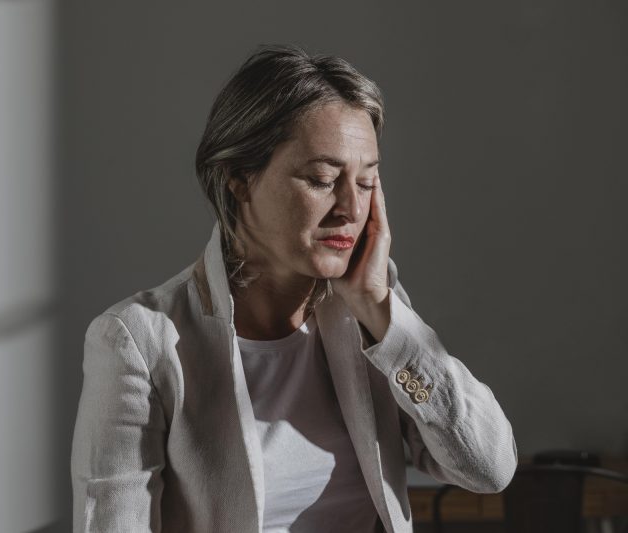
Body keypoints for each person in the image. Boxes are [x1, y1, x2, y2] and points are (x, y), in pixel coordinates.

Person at [70, 44, 518, 533]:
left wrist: (377, 308)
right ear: (239, 177)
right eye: (322, 178)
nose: (350, 206)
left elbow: (488, 468)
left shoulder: (369, 318)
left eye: (367, 182)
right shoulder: (138, 341)